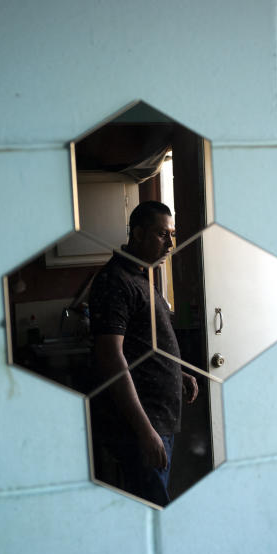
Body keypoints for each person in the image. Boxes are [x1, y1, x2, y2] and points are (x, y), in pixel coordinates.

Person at [88, 201, 198, 506]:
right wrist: (144, 430)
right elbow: (111, 357)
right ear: (137, 233)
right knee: (151, 507)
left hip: (158, 420)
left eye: (172, 235)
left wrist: (179, 373)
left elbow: (145, 344)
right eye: (162, 235)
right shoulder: (115, 281)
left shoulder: (140, 276)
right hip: (141, 425)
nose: (170, 244)